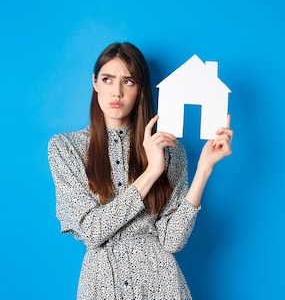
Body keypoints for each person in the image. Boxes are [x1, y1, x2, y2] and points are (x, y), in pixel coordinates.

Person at [47, 42, 233, 299]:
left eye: (129, 82)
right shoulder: (66, 148)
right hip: (101, 287)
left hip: (162, 286)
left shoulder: (170, 150)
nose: (117, 92)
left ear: (140, 89)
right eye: (108, 79)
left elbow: (172, 241)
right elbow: (91, 231)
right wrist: (152, 171)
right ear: (95, 82)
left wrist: (204, 169)